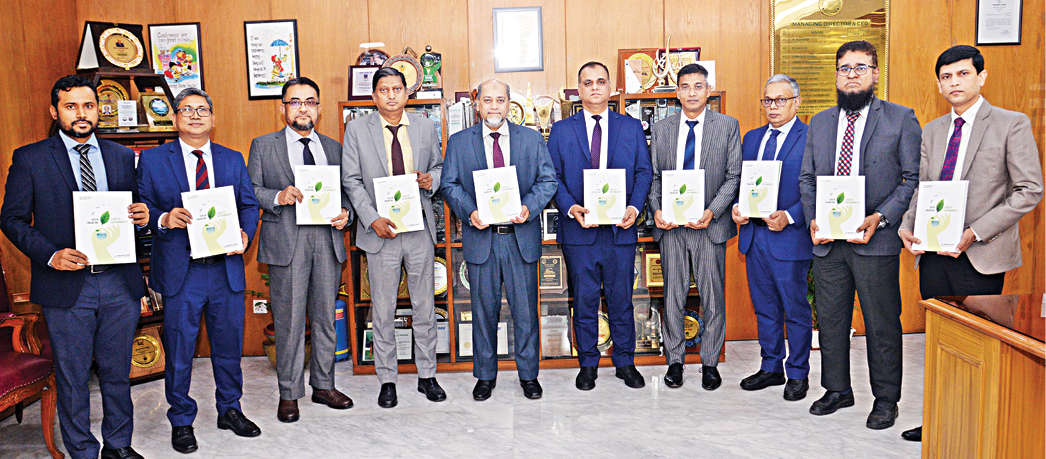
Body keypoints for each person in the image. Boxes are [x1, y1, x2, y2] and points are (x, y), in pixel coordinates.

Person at [896, 45, 1043, 442]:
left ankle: (978, 425)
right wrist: (907, 226)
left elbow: (1029, 189)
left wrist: (974, 232)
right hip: (932, 253)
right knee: (940, 342)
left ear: (982, 77)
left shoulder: (1010, 124)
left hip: (980, 253)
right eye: (946, 77)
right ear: (939, 84)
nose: (954, 82)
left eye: (963, 74)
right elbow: (923, 187)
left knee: (979, 346)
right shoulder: (933, 130)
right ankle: (941, 420)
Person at [0, 75, 148, 459]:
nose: (81, 114)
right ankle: (82, 450)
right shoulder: (30, 158)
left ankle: (118, 445)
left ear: (98, 110)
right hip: (66, 286)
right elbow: (12, 219)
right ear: (55, 112)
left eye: (88, 105)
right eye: (71, 106)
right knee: (73, 376)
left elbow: (135, 209)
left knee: (117, 372)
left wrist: (142, 215)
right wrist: (51, 255)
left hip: (118, 282)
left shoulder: (121, 156)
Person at [798, 40, 921, 430]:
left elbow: (912, 178)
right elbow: (807, 178)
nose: (852, 75)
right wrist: (813, 219)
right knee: (831, 319)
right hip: (828, 242)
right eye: (844, 68)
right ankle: (837, 389)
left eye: (860, 67)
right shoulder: (820, 122)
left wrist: (880, 217)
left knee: (881, 323)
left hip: (876, 240)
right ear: (836, 75)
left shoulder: (900, 119)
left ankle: (886, 399)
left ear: (875, 73)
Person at [137, 87, 261, 453]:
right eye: (187, 109)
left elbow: (249, 205)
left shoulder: (231, 158)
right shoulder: (153, 159)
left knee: (228, 346)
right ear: (175, 118)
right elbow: (141, 204)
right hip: (182, 270)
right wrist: (164, 217)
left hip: (225, 269)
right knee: (179, 351)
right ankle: (181, 419)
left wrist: (245, 233)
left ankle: (230, 409)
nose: (195, 115)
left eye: (202, 109)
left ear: (213, 118)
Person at [441, 78, 558, 401]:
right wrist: (469, 212)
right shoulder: (459, 142)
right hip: (483, 239)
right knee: (483, 312)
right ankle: (485, 375)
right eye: (488, 100)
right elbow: (449, 184)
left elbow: (548, 181)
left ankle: (529, 375)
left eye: (500, 100)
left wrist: (528, 207)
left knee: (526, 312)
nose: (494, 106)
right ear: (477, 105)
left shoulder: (531, 139)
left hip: (520, 238)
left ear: (509, 104)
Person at [247, 77, 354, 423]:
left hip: (326, 241)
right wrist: (278, 196)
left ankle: (324, 385)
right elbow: (250, 190)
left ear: (318, 108)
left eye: (309, 101)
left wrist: (347, 214)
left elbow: (348, 193)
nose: (303, 108)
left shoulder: (334, 148)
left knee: (325, 319)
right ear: (283, 108)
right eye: (295, 102)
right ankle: (289, 393)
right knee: (289, 322)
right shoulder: (264, 146)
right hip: (287, 242)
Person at [342, 67, 446, 408]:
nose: (391, 95)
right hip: (380, 231)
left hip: (417, 229)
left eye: (397, 89)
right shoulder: (357, 129)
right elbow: (351, 179)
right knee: (383, 308)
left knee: (424, 306)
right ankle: (387, 378)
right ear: (374, 96)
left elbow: (439, 167)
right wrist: (371, 219)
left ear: (406, 93)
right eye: (384, 90)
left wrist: (431, 179)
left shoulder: (424, 126)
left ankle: (427, 375)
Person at [547, 61, 652, 390]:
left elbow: (644, 172)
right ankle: (588, 364)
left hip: (620, 230)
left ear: (610, 88)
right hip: (579, 231)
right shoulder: (562, 130)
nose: (594, 87)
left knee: (622, 300)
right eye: (588, 82)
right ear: (579, 90)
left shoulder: (630, 128)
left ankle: (625, 362)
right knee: (584, 301)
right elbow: (552, 176)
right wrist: (570, 207)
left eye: (601, 81)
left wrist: (634, 207)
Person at [649, 63, 741, 390]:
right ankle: (675, 361)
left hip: (708, 226)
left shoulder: (727, 126)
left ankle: (710, 362)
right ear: (677, 92)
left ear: (708, 90)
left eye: (698, 86)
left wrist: (712, 211)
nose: (691, 92)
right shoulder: (662, 129)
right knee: (672, 295)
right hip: (672, 227)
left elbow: (733, 176)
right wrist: (657, 209)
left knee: (712, 297)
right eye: (685, 86)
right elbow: (654, 178)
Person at [732, 74, 813, 400]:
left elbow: (815, 188)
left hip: (789, 238)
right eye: (768, 100)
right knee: (764, 308)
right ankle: (771, 367)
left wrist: (790, 216)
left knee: (795, 310)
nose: (773, 106)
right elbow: (742, 183)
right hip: (755, 237)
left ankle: (798, 373)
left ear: (796, 102)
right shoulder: (752, 139)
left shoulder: (810, 138)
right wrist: (738, 208)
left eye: (781, 99)